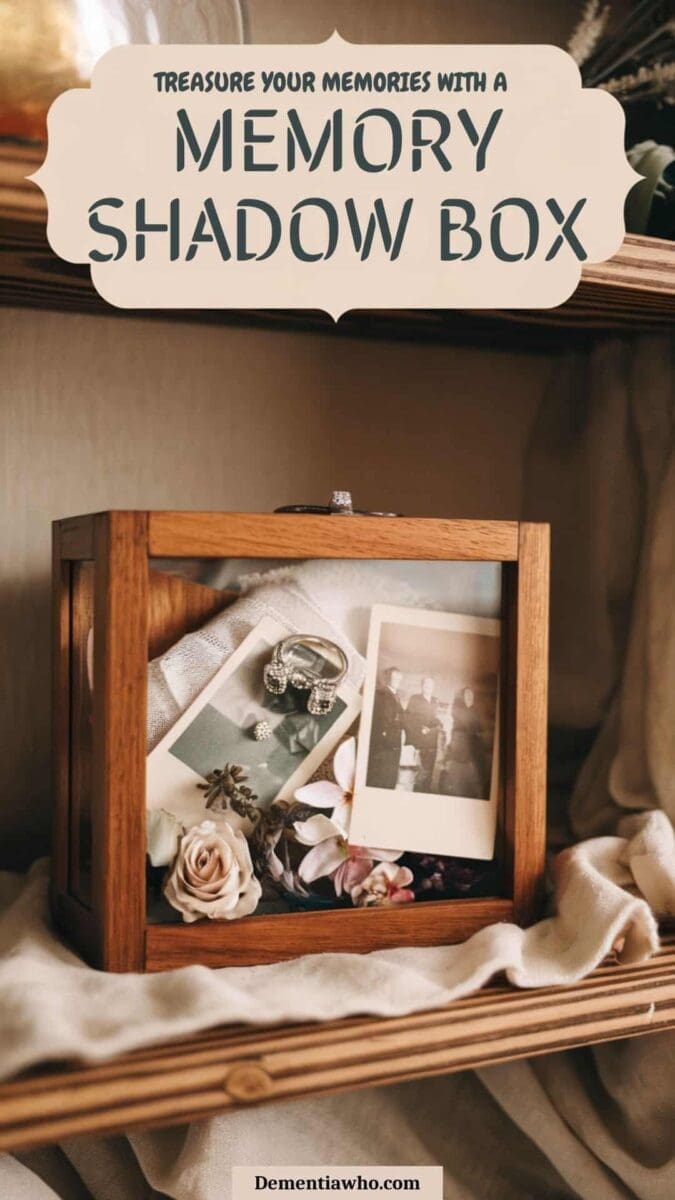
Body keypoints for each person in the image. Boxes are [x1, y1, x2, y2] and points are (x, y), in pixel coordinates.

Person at [441, 686, 490, 799]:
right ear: (463, 697)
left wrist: (476, 733)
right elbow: (455, 731)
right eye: (466, 694)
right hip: (460, 751)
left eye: (471, 694)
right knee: (457, 779)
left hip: (473, 750)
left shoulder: (476, 711)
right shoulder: (458, 711)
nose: (469, 697)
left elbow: (481, 729)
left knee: (474, 780)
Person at [367, 666, 405, 789]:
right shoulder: (382, 694)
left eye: (399, 679)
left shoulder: (395, 695)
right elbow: (384, 719)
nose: (397, 681)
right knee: (383, 776)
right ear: (388, 678)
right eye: (395, 678)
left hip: (392, 742)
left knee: (389, 774)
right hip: (386, 744)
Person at [405, 675, 443, 792]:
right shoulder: (414, 699)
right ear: (422, 686)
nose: (428, 686)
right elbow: (408, 718)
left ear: (433, 686)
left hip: (431, 744)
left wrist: (437, 724)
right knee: (415, 775)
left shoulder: (435, 701)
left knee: (428, 775)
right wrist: (420, 729)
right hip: (418, 743)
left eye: (430, 684)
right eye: (426, 684)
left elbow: (435, 720)